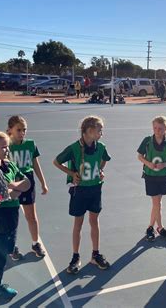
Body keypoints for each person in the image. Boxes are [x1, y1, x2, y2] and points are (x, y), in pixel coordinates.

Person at [53, 116, 111, 274]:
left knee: (94, 220)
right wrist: (71, 173)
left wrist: (100, 170)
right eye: (99, 130)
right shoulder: (74, 148)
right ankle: (75, 256)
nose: (101, 133)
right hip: (79, 191)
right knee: (78, 223)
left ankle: (95, 254)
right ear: (90, 131)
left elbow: (104, 160)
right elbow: (57, 162)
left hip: (95, 189)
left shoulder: (101, 147)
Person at [0, 130, 31, 307]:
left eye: (7, 147)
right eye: (3, 148)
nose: (6, 151)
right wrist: (12, 192)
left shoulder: (9, 165)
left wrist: (11, 187)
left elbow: (27, 184)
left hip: (10, 216)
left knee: (4, 254)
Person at [7, 115, 49, 260]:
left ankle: (35, 243)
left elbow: (35, 164)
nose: (22, 133)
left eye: (24, 130)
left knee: (32, 216)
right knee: (11, 217)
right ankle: (11, 246)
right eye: (18, 130)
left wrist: (43, 182)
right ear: (10, 130)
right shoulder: (6, 146)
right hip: (12, 182)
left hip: (28, 181)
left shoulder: (30, 144)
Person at [137, 116, 166, 241]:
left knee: (157, 204)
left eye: (160, 128)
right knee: (156, 204)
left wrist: (164, 165)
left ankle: (154, 227)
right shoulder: (147, 141)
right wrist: (148, 163)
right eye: (155, 128)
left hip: (163, 176)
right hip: (150, 176)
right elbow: (139, 156)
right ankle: (156, 227)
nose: (157, 130)